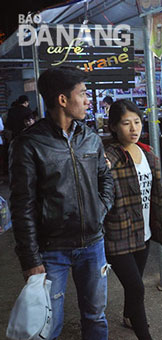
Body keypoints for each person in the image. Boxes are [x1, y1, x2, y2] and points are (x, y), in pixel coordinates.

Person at [9, 66, 114, 340]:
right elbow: (22, 207)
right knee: (47, 325)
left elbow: (106, 178)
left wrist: (99, 211)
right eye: (82, 94)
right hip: (51, 250)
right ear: (62, 99)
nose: (88, 99)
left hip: (93, 245)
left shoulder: (90, 138)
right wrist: (30, 260)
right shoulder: (30, 144)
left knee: (96, 316)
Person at [104, 99, 162, 340]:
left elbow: (151, 188)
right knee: (136, 287)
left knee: (135, 284)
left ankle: (128, 316)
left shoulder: (147, 154)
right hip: (118, 234)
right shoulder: (109, 158)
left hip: (144, 234)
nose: (133, 129)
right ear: (113, 127)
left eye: (137, 122)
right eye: (126, 123)